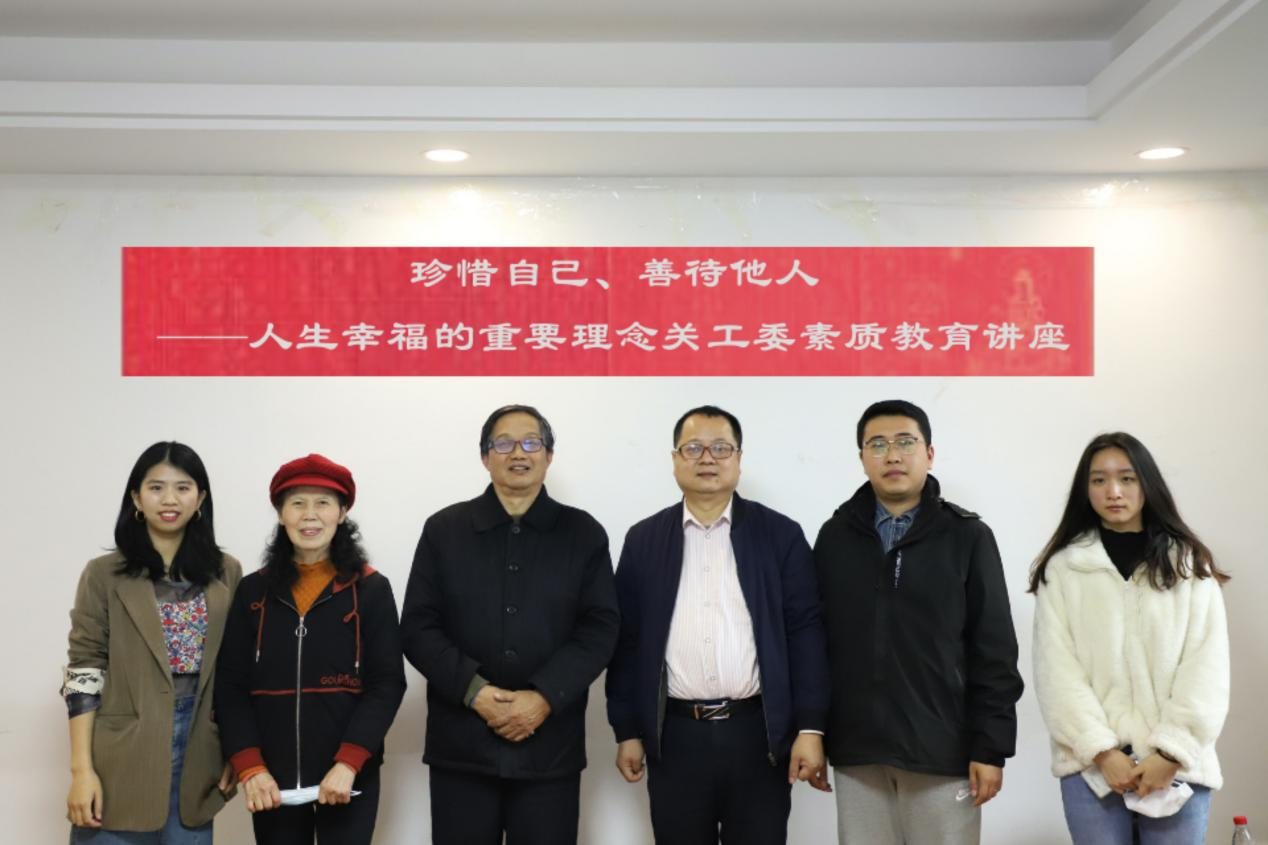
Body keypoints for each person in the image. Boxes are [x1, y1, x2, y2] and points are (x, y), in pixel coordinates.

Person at [606, 404, 830, 845]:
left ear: (739, 459)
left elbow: (805, 633)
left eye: (721, 448)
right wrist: (627, 730)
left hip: (759, 734)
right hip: (674, 735)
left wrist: (810, 727)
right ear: (675, 459)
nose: (707, 458)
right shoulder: (644, 540)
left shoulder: (780, 535)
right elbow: (627, 642)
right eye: (693, 448)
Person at [401, 404, 619, 845]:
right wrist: (475, 693)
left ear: (549, 455)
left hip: (550, 746)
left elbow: (600, 628)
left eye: (531, 442)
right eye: (503, 443)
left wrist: (543, 698)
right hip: (461, 745)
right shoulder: (444, 530)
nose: (518, 453)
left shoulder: (583, 533)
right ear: (485, 457)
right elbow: (418, 626)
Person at [813, 399, 1023, 845]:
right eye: (877, 444)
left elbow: (995, 650)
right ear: (862, 458)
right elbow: (815, 643)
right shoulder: (835, 537)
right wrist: (811, 730)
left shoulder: (967, 536)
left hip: (943, 750)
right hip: (858, 749)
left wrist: (990, 746)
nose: (892, 455)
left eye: (905, 442)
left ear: (929, 453)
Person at [1030, 432, 1230, 845]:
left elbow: (1207, 668)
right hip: (1092, 771)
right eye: (1099, 480)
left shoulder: (1188, 564)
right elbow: (1056, 670)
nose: (1114, 491)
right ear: (1085, 490)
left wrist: (1171, 752)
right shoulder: (1064, 569)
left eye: (1127, 478)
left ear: (1147, 483)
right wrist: (1102, 752)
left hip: (1178, 771)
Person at [215, 454, 406, 845]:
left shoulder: (371, 589)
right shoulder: (253, 591)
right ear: (281, 513)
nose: (310, 515)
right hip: (272, 779)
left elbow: (387, 683)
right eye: (297, 503)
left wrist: (349, 761)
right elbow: (230, 686)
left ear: (342, 512)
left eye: (323, 503)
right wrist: (250, 766)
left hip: (348, 776)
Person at [64, 441, 241, 843]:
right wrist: (82, 770)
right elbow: (84, 670)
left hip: (200, 751)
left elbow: (234, 670)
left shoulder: (226, 572)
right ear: (136, 498)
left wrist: (237, 748)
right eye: (156, 487)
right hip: (121, 752)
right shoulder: (103, 574)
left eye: (183, 487)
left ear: (200, 499)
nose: (170, 499)